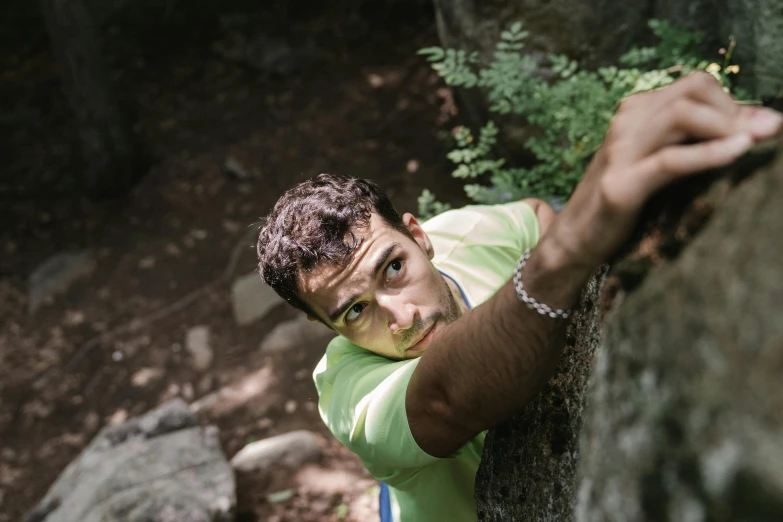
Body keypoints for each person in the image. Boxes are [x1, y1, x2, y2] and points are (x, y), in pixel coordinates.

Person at [255, 73, 782, 522]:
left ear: (419, 236)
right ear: (330, 331)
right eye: (355, 311)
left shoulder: (470, 232)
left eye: (393, 268)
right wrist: (571, 247)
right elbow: (445, 399)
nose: (403, 316)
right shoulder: (344, 390)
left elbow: (535, 214)